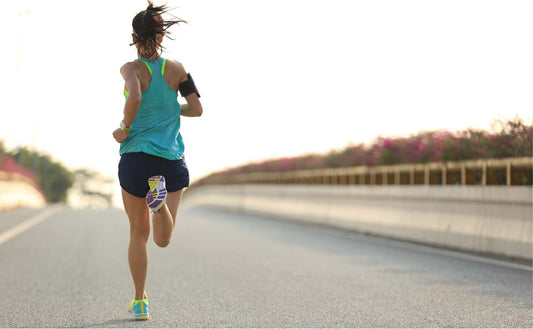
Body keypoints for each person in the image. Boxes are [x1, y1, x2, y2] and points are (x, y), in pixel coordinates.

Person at [112, 1, 203, 321]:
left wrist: (124, 128)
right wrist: (172, 109)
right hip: (170, 161)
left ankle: (140, 302)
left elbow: (135, 97)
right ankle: (159, 202)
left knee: (139, 233)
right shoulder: (178, 69)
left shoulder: (130, 69)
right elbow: (198, 109)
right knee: (164, 239)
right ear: (162, 37)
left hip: (136, 157)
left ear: (134, 37)